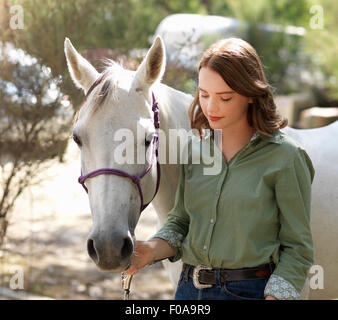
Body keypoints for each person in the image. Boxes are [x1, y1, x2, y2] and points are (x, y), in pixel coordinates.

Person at [125, 38, 314, 300]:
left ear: (250, 94)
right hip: (188, 291)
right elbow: (181, 221)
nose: (211, 107)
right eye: (203, 94)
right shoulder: (193, 150)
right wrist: (151, 250)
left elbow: (298, 248)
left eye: (225, 98)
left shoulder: (286, 158)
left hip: (250, 293)